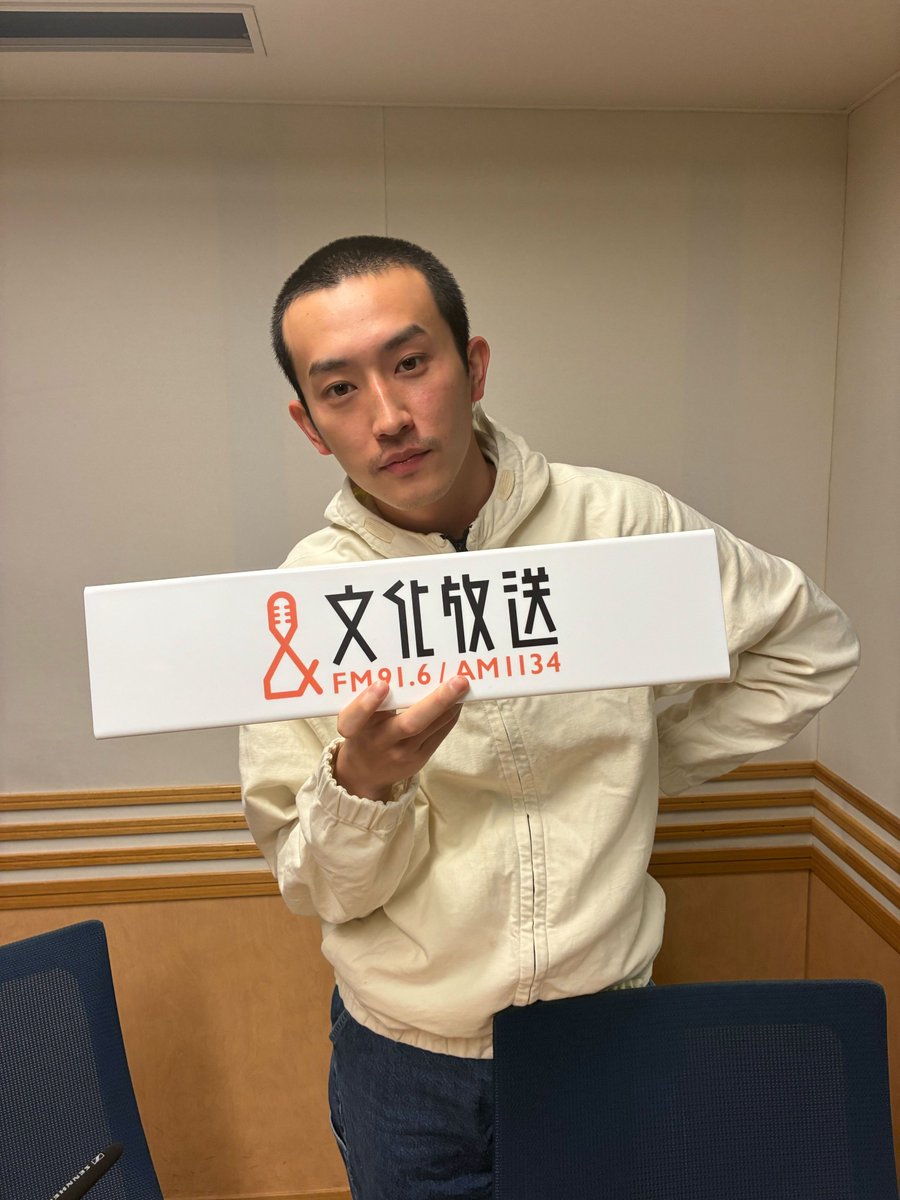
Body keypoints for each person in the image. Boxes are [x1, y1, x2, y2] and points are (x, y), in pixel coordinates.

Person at [240, 235, 859, 1199]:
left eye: (412, 364)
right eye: (341, 389)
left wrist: (638, 756)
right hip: (405, 1061)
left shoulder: (620, 527)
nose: (390, 416)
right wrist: (365, 784)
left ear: (474, 366)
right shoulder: (300, 605)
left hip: (603, 1031)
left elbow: (808, 644)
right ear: (310, 423)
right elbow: (319, 887)